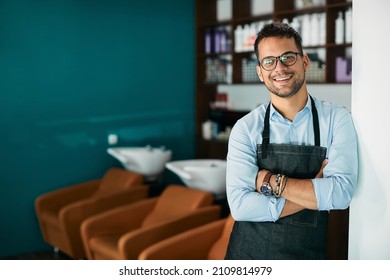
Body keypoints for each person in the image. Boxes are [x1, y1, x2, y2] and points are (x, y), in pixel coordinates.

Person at [224, 21, 358, 260]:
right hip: (248, 257)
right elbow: (241, 206)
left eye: (288, 57)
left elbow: (340, 194)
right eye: (269, 61)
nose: (280, 68)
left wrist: (272, 182)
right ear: (260, 72)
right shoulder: (245, 128)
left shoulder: (338, 119)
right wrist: (313, 192)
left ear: (304, 62)